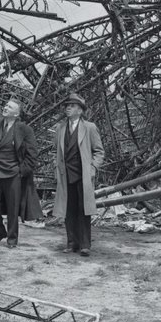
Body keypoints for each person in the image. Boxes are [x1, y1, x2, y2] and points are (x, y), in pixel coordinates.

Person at [0, 98, 38, 248]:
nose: (5, 107)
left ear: (17, 113)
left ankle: (12, 238)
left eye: (9, 107)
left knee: (13, 207)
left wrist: (21, 171)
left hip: (13, 172)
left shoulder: (24, 129)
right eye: (5, 105)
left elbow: (32, 154)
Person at [53, 93, 105, 257]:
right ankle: (71, 243)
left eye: (72, 106)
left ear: (80, 110)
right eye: (67, 106)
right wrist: (57, 168)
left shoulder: (89, 127)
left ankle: (85, 245)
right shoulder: (60, 128)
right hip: (65, 174)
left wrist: (92, 168)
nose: (68, 108)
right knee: (68, 209)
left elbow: (99, 151)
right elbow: (57, 151)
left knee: (84, 210)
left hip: (83, 175)